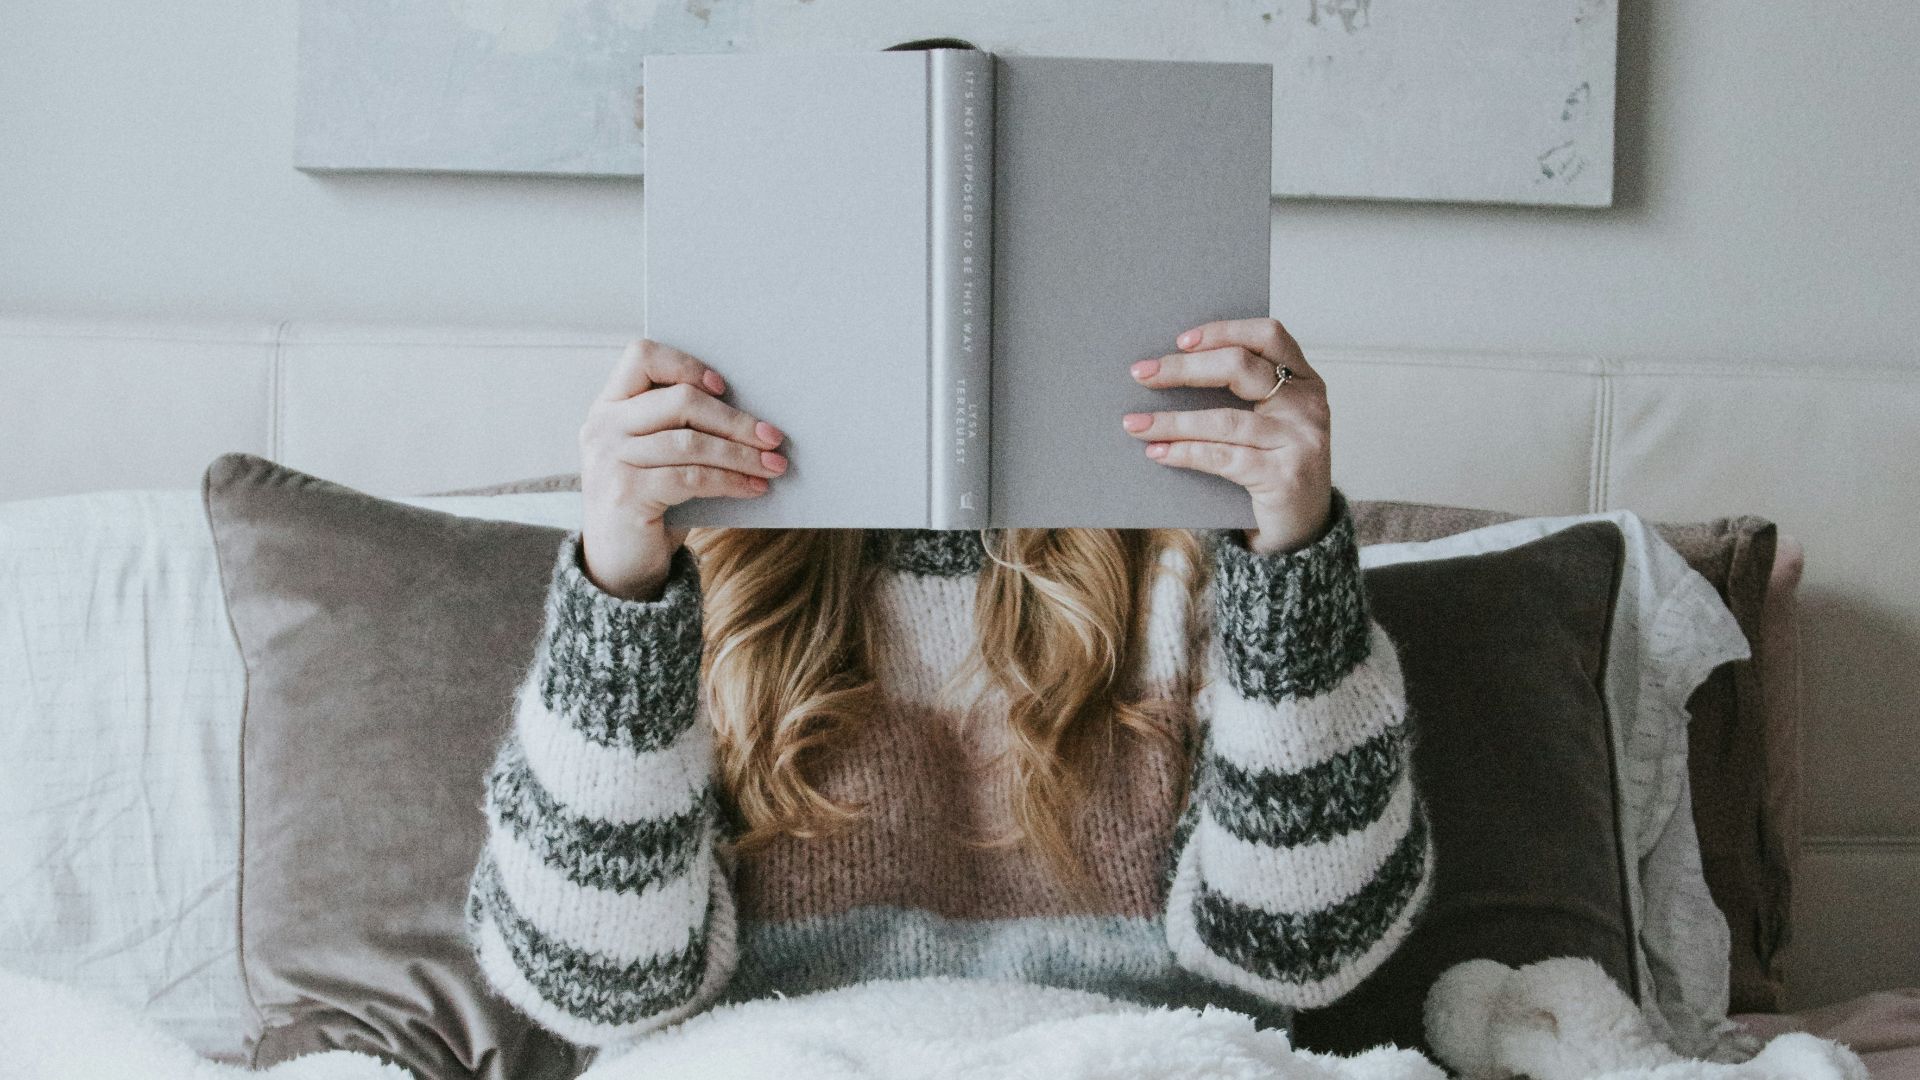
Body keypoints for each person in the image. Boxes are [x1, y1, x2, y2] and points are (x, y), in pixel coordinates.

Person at [460, 309, 1434, 1057]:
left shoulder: (1200, 567)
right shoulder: (702, 583)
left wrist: (1294, 562)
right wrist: (621, 591)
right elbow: (591, 978)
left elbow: (1307, 942)